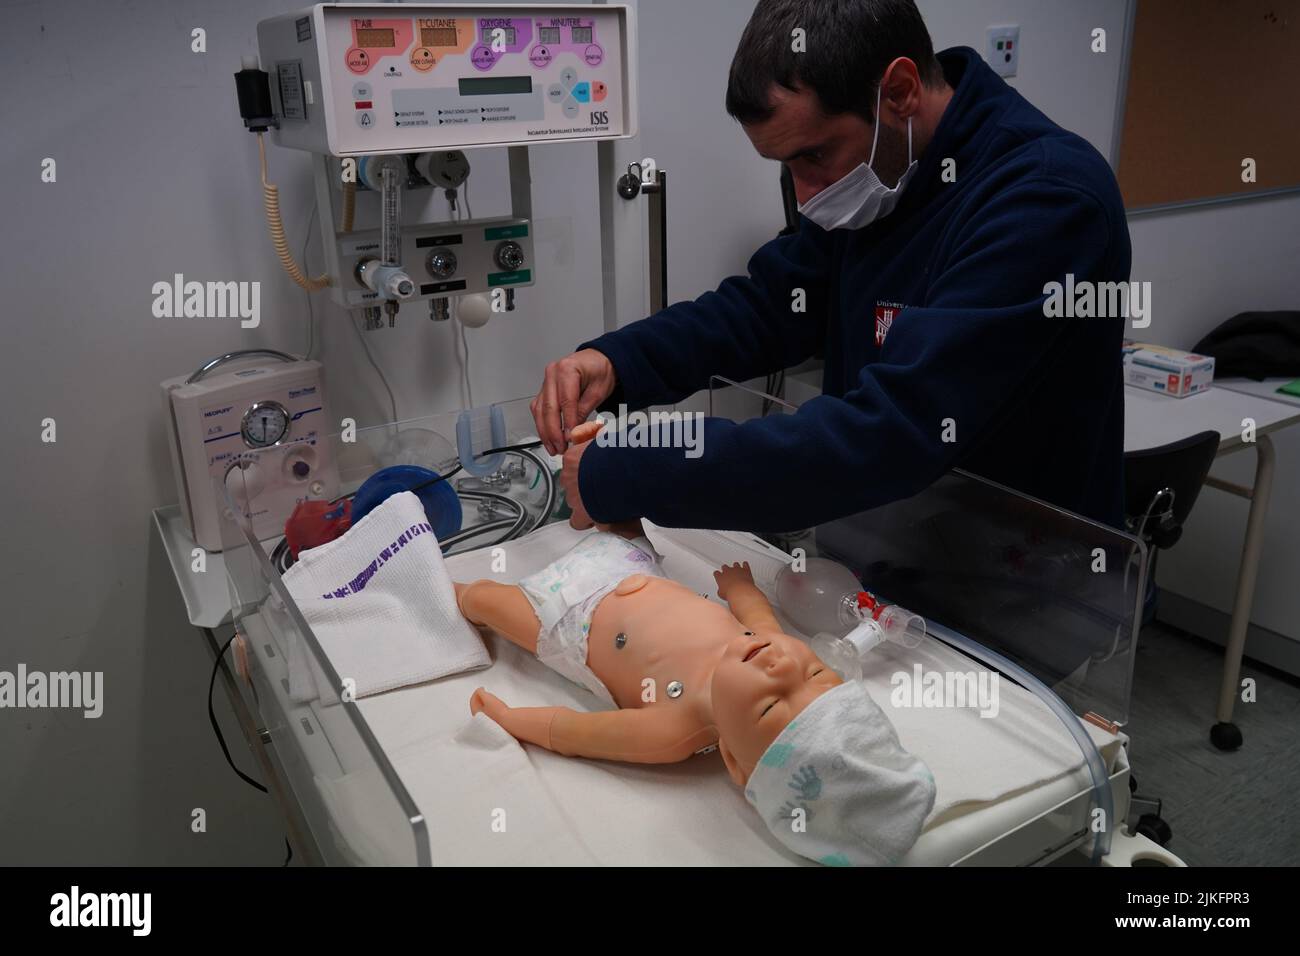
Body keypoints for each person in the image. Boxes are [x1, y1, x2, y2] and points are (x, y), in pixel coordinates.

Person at [531, 0, 1130, 533]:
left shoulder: (1046, 202)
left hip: (1024, 592)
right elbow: (768, 307)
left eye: (814, 154)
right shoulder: (886, 174)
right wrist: (619, 362)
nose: (807, 192)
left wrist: (632, 468)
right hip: (893, 549)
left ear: (899, 92)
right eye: (784, 167)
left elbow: (892, 434)